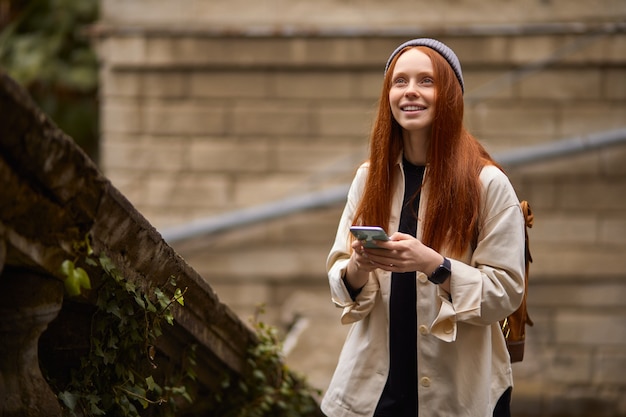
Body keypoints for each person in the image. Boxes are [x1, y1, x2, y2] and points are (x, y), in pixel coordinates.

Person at [321, 38, 526, 417]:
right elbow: (338, 279)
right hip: (374, 393)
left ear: (448, 94)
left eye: (425, 81)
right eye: (400, 81)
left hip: (460, 395)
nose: (410, 91)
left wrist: (434, 265)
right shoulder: (369, 179)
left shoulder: (488, 183)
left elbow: (505, 291)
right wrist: (358, 267)